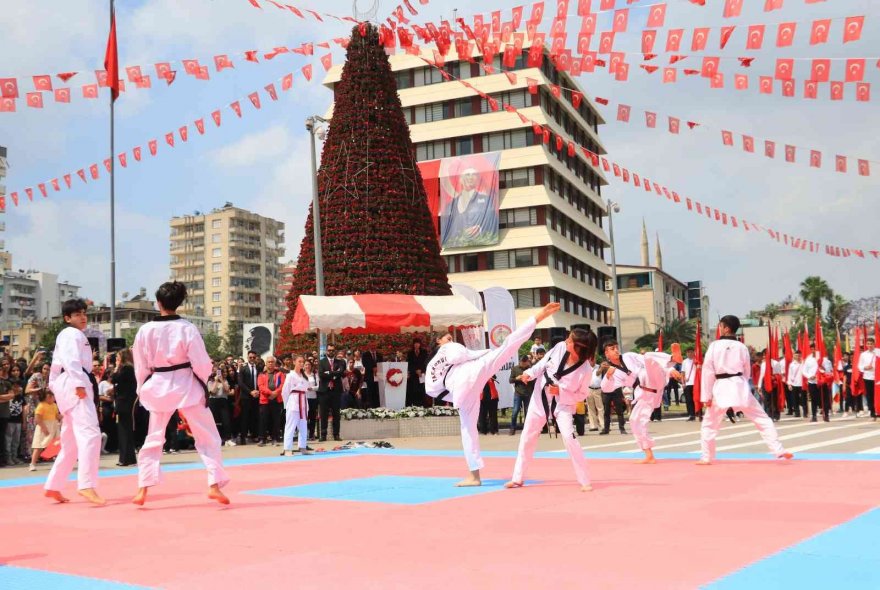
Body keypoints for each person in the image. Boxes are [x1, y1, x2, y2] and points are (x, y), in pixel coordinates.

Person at [426, 302, 561, 487]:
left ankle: (474, 476)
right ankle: (537, 318)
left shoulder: (431, 367)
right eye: (447, 337)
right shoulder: (447, 348)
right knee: (508, 346)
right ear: (438, 342)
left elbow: (432, 391)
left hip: (460, 389)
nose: (450, 339)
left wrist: (455, 397)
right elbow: (459, 355)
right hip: (472, 373)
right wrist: (478, 354)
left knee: (468, 430)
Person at [131, 282, 229, 505]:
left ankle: (142, 490)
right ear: (180, 303)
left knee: (154, 438)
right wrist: (202, 382)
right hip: (186, 384)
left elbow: (141, 364)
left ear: (158, 303)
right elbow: (202, 363)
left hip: (159, 386)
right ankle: (214, 485)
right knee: (208, 436)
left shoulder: (145, 331)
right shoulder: (187, 328)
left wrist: (142, 388)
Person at [505, 326, 597, 491]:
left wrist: (560, 391)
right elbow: (542, 364)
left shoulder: (586, 370)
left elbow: (582, 395)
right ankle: (517, 478)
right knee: (527, 436)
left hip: (563, 405)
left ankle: (585, 480)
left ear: (580, 348)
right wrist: (529, 374)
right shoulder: (560, 347)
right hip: (540, 398)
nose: (566, 341)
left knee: (569, 438)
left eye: (570, 340)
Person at [697, 315, 792, 466]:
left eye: (720, 326)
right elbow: (747, 371)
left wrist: (706, 396)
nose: (719, 328)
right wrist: (741, 382)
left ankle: (707, 457)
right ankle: (778, 449)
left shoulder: (714, 346)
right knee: (762, 419)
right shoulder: (742, 347)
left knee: (709, 424)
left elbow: (708, 372)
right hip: (740, 387)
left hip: (721, 388)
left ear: (726, 328)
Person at [43, 299, 104, 505]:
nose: (83, 317)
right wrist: (78, 384)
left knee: (71, 443)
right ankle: (86, 485)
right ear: (67, 318)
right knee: (91, 434)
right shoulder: (71, 334)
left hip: (66, 385)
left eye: (84, 313)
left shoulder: (73, 335)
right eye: (77, 314)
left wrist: (60, 386)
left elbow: (58, 368)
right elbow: (70, 361)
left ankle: (53, 486)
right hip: (74, 385)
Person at [625, 348, 682, 464]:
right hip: (646, 394)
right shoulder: (639, 368)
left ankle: (672, 357)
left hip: (653, 390)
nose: (641, 355)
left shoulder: (650, 364)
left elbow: (662, 368)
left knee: (648, 357)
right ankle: (648, 453)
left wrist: (671, 369)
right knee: (634, 420)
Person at [280, 355, 312, 456]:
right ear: (294, 362)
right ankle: (287, 448)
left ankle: (302, 446)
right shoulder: (290, 375)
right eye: (299, 361)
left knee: (303, 425)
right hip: (293, 401)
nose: (302, 364)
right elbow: (285, 391)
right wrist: (286, 404)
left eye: (303, 362)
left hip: (303, 400)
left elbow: (307, 388)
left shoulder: (305, 376)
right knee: (290, 425)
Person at [598, 341, 631, 435]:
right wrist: (601, 368)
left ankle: (622, 428)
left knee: (619, 410)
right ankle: (606, 429)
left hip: (616, 390)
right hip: (606, 391)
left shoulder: (619, 363)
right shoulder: (604, 364)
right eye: (611, 349)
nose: (615, 351)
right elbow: (597, 374)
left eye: (616, 348)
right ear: (606, 353)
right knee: (606, 411)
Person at [318, 345, 346, 442]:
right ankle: (323, 435)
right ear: (326, 351)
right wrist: (334, 373)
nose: (331, 352)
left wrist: (328, 373)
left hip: (336, 391)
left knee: (336, 414)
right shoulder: (321, 362)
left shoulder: (341, 362)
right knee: (323, 414)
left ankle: (336, 434)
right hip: (324, 392)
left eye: (332, 350)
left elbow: (341, 373)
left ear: (335, 351)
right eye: (329, 350)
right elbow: (321, 374)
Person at [30, 390, 60, 471]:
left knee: (55, 445)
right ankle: (32, 464)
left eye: (52, 396)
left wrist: (64, 416)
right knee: (38, 446)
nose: (52, 398)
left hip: (53, 426)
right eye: (50, 396)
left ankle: (57, 463)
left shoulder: (54, 405)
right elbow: (37, 418)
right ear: (45, 398)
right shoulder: (41, 406)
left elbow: (57, 416)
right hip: (43, 426)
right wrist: (44, 428)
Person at [257, 357, 285, 446]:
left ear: (275, 363)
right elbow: (260, 386)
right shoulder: (261, 374)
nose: (270, 363)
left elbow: (283, 384)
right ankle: (262, 439)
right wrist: (270, 393)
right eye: (269, 362)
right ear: (266, 363)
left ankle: (275, 439)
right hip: (265, 400)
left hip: (276, 399)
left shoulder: (280, 374)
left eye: (272, 362)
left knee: (276, 420)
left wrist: (276, 393)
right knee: (263, 420)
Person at [236, 351, 262, 445]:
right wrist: (250, 392)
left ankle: (255, 436)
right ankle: (243, 437)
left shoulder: (259, 368)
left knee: (255, 417)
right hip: (246, 396)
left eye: (254, 357)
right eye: (250, 357)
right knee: (244, 417)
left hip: (256, 396)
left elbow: (261, 381)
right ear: (247, 357)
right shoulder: (243, 368)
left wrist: (258, 391)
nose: (252, 359)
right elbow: (240, 383)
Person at [208, 365, 234, 447]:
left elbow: (227, 390)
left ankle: (228, 439)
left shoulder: (225, 380)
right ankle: (214, 439)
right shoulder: (210, 381)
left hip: (223, 401)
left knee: (226, 420)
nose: (224, 373)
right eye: (223, 372)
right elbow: (212, 392)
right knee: (214, 422)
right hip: (213, 401)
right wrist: (216, 381)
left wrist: (222, 380)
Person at [508, 355, 533, 434]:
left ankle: (527, 429)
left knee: (528, 412)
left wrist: (528, 378)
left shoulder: (530, 369)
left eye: (524, 362)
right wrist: (517, 378)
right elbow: (510, 380)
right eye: (521, 362)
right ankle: (512, 428)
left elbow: (534, 379)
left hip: (528, 393)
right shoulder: (515, 368)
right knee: (515, 411)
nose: (522, 364)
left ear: (527, 362)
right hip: (518, 393)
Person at [858, 337, 877, 421]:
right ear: (866, 344)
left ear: (874, 344)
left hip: (877, 377)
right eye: (868, 344)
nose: (870, 345)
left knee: (878, 396)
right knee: (870, 396)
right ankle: (872, 413)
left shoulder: (878, 352)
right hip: (868, 377)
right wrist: (865, 367)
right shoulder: (863, 354)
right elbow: (859, 366)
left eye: (871, 344)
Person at [405, 339, 428, 408]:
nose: (416, 345)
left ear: (420, 344)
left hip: (422, 374)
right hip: (413, 375)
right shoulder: (410, 353)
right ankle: (414, 405)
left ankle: (422, 405)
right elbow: (409, 364)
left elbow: (426, 362)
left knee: (422, 390)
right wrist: (415, 370)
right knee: (413, 389)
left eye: (418, 343)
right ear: (413, 344)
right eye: (415, 343)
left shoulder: (424, 352)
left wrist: (421, 370)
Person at [361, 342, 383, 409]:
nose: (373, 347)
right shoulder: (365, 355)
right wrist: (373, 368)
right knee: (370, 393)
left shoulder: (379, 355)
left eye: (374, 345)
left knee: (377, 392)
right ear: (369, 346)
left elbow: (381, 363)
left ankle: (378, 407)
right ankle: (371, 407)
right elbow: (365, 364)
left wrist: (377, 368)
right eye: (371, 345)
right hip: (369, 377)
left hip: (378, 377)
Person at [681, 348, 698, 421]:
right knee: (689, 400)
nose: (689, 354)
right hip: (688, 384)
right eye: (688, 352)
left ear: (694, 352)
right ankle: (691, 415)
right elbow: (682, 373)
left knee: (696, 399)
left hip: (696, 383)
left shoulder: (697, 361)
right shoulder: (684, 362)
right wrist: (683, 382)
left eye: (691, 352)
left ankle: (698, 413)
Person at [786, 351, 805, 418]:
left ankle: (805, 412)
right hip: (794, 384)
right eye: (796, 355)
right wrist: (789, 384)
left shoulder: (803, 363)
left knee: (803, 399)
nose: (798, 357)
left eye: (799, 355)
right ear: (794, 356)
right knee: (795, 399)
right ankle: (797, 412)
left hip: (802, 384)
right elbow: (789, 374)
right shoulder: (792, 364)